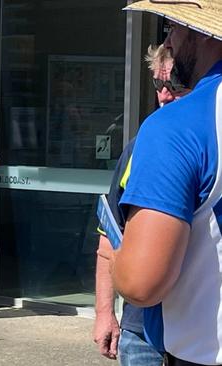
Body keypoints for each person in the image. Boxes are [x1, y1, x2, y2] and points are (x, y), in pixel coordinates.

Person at [101, 1, 222, 365]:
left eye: (173, 27)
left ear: (203, 35)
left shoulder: (176, 126)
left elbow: (141, 283)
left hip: (200, 349)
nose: (168, 39)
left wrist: (118, 259)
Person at [93, 44, 189, 365]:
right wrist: (105, 313)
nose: (163, 95)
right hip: (140, 328)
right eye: (158, 85)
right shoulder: (140, 146)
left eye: (173, 84)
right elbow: (109, 232)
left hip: (199, 327)